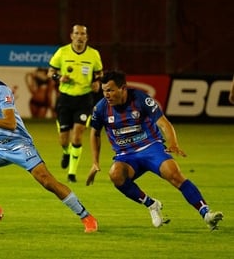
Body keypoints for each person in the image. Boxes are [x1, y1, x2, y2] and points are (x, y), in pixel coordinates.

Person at [0, 51, 98, 233]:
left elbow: (10, 123)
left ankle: (86, 216)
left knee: (48, 182)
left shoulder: (1, 90)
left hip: (19, 146)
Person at [86, 70, 223, 230]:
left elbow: (164, 123)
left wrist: (173, 144)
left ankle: (206, 214)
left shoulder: (140, 98)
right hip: (126, 155)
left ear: (123, 88)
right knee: (115, 175)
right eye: (104, 90)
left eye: (110, 90)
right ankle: (152, 204)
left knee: (174, 174)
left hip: (150, 147)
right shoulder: (101, 108)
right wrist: (95, 162)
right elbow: (94, 133)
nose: (106, 94)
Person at [48, 24, 103, 182]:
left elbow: (99, 73)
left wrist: (97, 82)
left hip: (84, 99)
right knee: (64, 140)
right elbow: (50, 72)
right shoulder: (62, 52)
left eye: (82, 34)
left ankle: (72, 173)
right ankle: (66, 152)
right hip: (65, 99)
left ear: (86, 37)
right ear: (71, 36)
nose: (80, 36)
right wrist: (59, 78)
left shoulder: (93, 54)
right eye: (77, 33)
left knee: (77, 136)